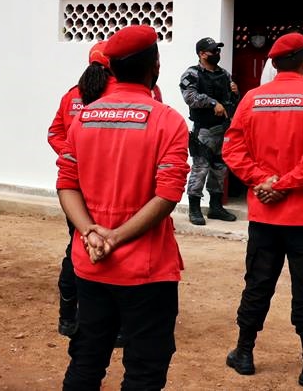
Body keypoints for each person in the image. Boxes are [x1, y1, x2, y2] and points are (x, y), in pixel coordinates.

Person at [56, 25, 190, 390]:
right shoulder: (168, 120)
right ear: (155, 66)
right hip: (146, 269)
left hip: (91, 261)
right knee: (144, 370)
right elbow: (167, 195)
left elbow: (66, 184)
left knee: (86, 360)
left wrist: (89, 232)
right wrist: (115, 236)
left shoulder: (83, 117)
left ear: (111, 69)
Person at [222, 32, 303, 387]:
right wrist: (285, 183)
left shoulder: (251, 99)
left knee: (257, 283)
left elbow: (231, 149)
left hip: (264, 213)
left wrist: (263, 181)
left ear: (272, 64)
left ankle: (244, 352)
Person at [47, 42, 113, 337]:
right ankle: (108, 322)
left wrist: (73, 157)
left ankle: (67, 317)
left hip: (73, 188)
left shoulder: (71, 95)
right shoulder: (115, 97)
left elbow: (54, 133)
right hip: (107, 185)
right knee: (111, 247)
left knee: (76, 245)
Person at [180, 37, 240, 225]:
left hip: (223, 129)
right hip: (204, 130)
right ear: (202, 54)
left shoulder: (224, 74)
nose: (217, 54)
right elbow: (190, 97)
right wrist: (213, 103)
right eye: (213, 51)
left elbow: (231, 100)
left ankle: (215, 207)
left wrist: (235, 92)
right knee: (201, 168)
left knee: (219, 169)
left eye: (218, 50)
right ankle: (194, 209)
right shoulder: (192, 74)